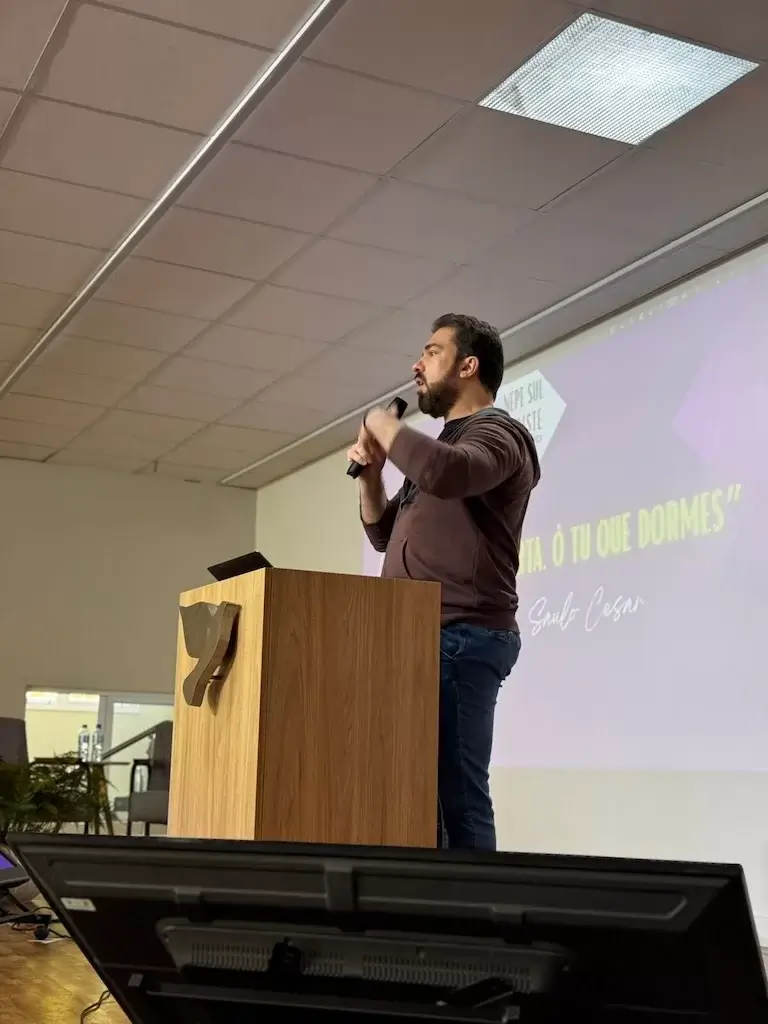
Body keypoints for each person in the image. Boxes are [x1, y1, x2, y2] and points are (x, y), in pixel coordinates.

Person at [348, 313, 540, 851]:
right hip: (422, 636)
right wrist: (370, 477)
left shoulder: (498, 434)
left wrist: (379, 422)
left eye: (432, 352)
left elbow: (447, 473)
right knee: (422, 801)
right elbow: (383, 534)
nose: (417, 364)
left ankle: (474, 906)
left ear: (468, 366)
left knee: (458, 801)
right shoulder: (447, 446)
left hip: (461, 634)